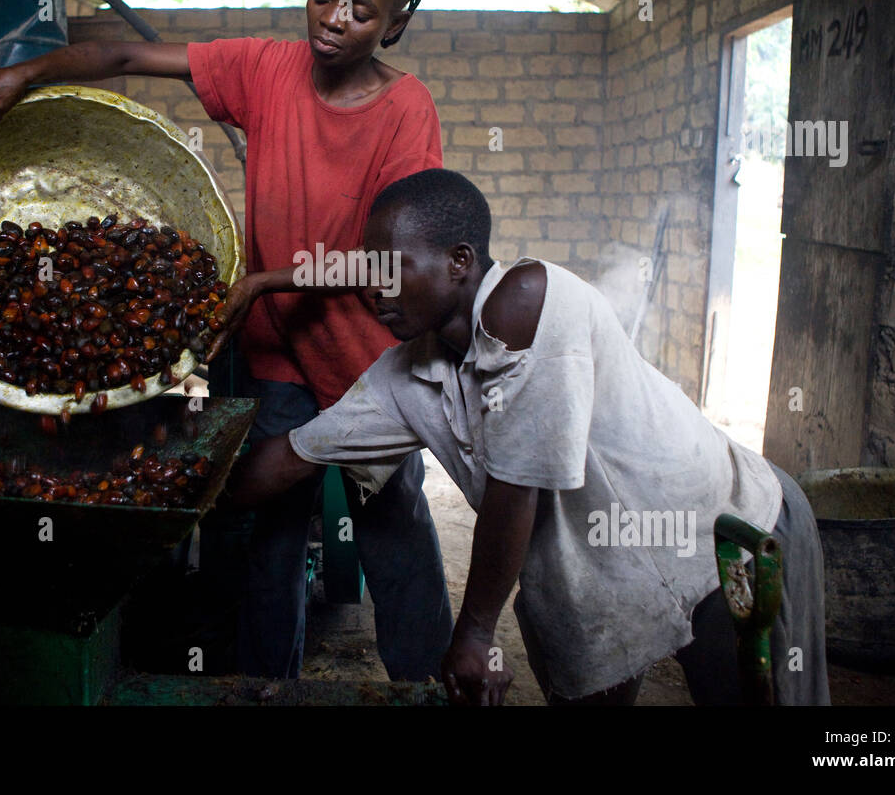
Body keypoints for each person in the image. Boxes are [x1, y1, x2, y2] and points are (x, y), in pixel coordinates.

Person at [0, 0, 454, 681]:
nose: (334, 19)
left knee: (393, 525)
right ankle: (261, 685)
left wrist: (262, 283)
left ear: (396, 23)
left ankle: (433, 684)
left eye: (361, 10)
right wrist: (31, 73)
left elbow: (400, 260)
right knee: (265, 535)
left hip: (368, 363)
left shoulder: (406, 110)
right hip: (279, 355)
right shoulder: (266, 69)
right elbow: (120, 53)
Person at [227, 168, 832, 706]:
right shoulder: (405, 373)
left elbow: (516, 489)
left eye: (392, 268)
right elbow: (294, 455)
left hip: (723, 530)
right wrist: (186, 492)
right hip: (603, 568)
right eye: (369, 269)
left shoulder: (528, 298)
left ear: (460, 261)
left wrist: (475, 634)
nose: (372, 288)